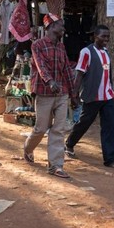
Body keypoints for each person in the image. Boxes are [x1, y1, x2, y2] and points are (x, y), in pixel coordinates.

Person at [24, 13, 78, 179]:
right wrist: (50, 81)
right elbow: (41, 67)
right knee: (41, 128)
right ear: (51, 27)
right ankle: (28, 148)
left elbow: (67, 70)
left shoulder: (61, 47)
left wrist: (73, 93)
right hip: (44, 93)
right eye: (60, 25)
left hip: (61, 94)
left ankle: (55, 165)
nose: (63, 28)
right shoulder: (37, 45)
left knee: (58, 129)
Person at [65, 25, 114, 170]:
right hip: (92, 96)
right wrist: (74, 94)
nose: (106, 39)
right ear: (95, 36)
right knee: (84, 123)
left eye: (108, 36)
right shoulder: (86, 52)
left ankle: (110, 159)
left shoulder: (106, 52)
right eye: (103, 36)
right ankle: (69, 143)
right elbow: (79, 74)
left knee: (110, 126)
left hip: (107, 96)